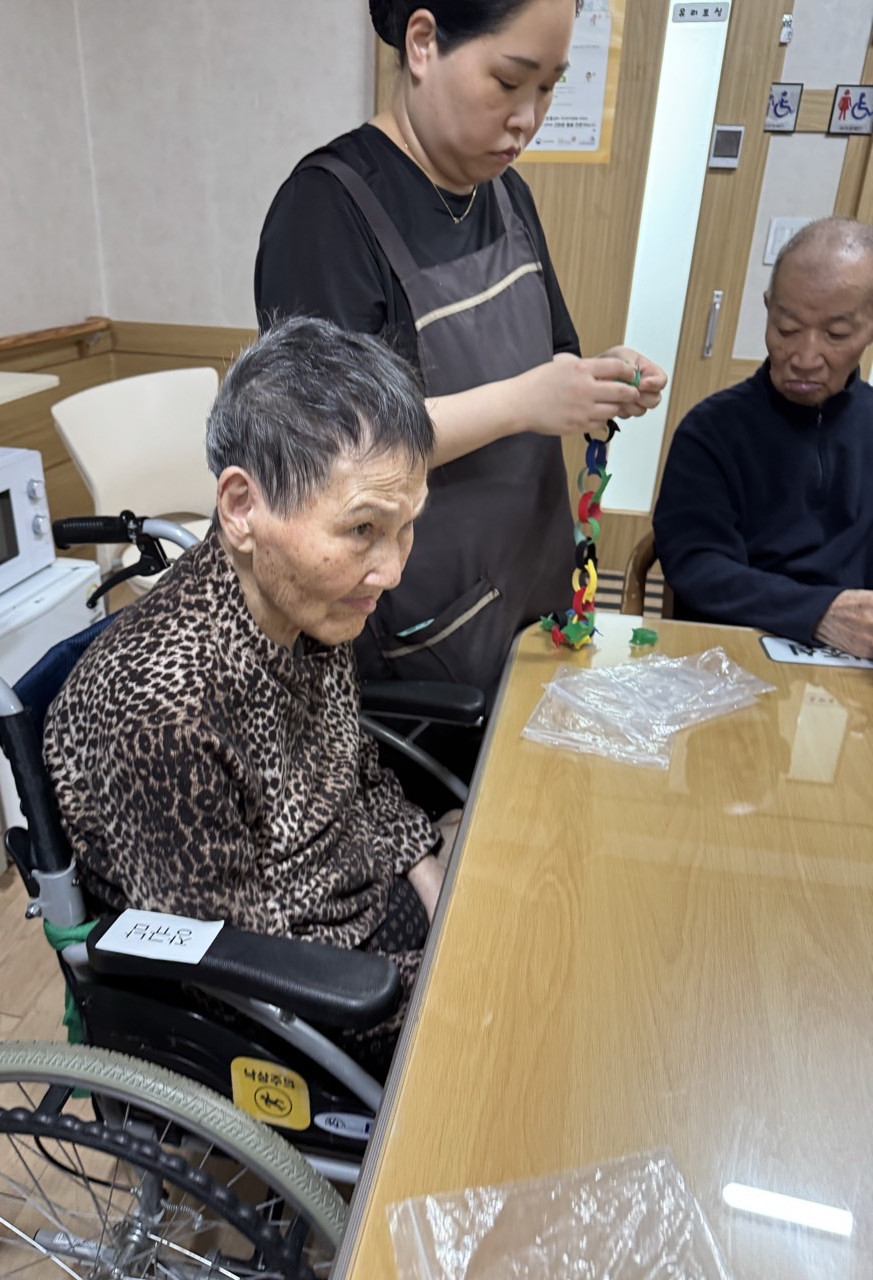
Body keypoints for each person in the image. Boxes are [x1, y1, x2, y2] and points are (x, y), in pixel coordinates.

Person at [43, 317, 449, 1068]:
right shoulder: (163, 717)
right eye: (363, 528)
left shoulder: (308, 601)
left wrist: (434, 884)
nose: (391, 571)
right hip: (308, 988)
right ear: (240, 509)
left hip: (361, 895)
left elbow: (355, 771)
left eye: (406, 528)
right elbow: (234, 974)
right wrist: (446, 985)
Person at [255, 0, 666, 700]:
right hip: (417, 635)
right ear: (422, 43)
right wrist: (524, 402)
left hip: (533, 590)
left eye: (549, 87)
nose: (528, 118)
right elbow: (333, 450)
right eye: (509, 82)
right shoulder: (326, 213)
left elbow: (554, 357)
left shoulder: (506, 197)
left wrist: (596, 382)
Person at [654, 217, 873, 658]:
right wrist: (819, 613)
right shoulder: (711, 431)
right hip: (733, 655)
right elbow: (696, 565)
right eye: (787, 329)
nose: (805, 357)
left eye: (836, 334)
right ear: (769, 308)